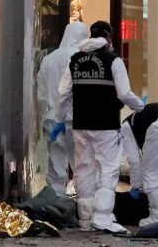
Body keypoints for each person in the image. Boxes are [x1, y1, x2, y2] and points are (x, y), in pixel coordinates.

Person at [52, 21, 144, 233]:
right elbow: (124, 94)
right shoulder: (113, 60)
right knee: (108, 169)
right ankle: (102, 217)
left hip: (81, 125)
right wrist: (141, 107)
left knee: (84, 169)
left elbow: (63, 93)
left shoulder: (75, 60)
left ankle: (86, 220)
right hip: (106, 125)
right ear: (108, 37)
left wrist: (59, 119)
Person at [37, 21, 88, 197]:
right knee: (81, 164)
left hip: (52, 120)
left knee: (56, 164)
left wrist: (45, 115)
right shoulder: (81, 58)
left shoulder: (48, 60)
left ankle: (56, 203)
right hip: (74, 120)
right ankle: (85, 206)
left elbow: (41, 93)